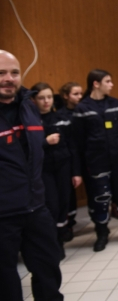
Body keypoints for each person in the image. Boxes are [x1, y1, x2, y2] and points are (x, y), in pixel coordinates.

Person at [0, 50, 63, 301]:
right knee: (6, 282)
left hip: (36, 207)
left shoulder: (28, 105)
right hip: (3, 215)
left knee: (48, 270)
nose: (9, 78)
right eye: (1, 73)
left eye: (14, 72)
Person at [73, 69, 118, 252]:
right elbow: (77, 143)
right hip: (95, 163)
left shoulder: (115, 104)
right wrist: (77, 171)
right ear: (96, 83)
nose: (112, 84)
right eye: (108, 81)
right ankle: (102, 233)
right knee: (99, 199)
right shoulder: (82, 108)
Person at [31, 82, 82, 256]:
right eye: (41, 98)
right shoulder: (31, 121)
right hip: (44, 169)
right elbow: (26, 147)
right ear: (34, 100)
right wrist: (45, 142)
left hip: (63, 166)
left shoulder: (61, 118)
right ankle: (53, 241)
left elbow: (73, 146)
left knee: (63, 203)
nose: (46, 101)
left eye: (49, 97)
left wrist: (76, 172)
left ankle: (61, 237)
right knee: (51, 204)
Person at [58, 82, 84, 238]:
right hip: (69, 157)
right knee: (69, 192)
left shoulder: (86, 110)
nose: (79, 97)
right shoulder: (60, 115)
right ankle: (69, 222)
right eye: (75, 94)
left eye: (81, 93)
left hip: (86, 155)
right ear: (66, 96)